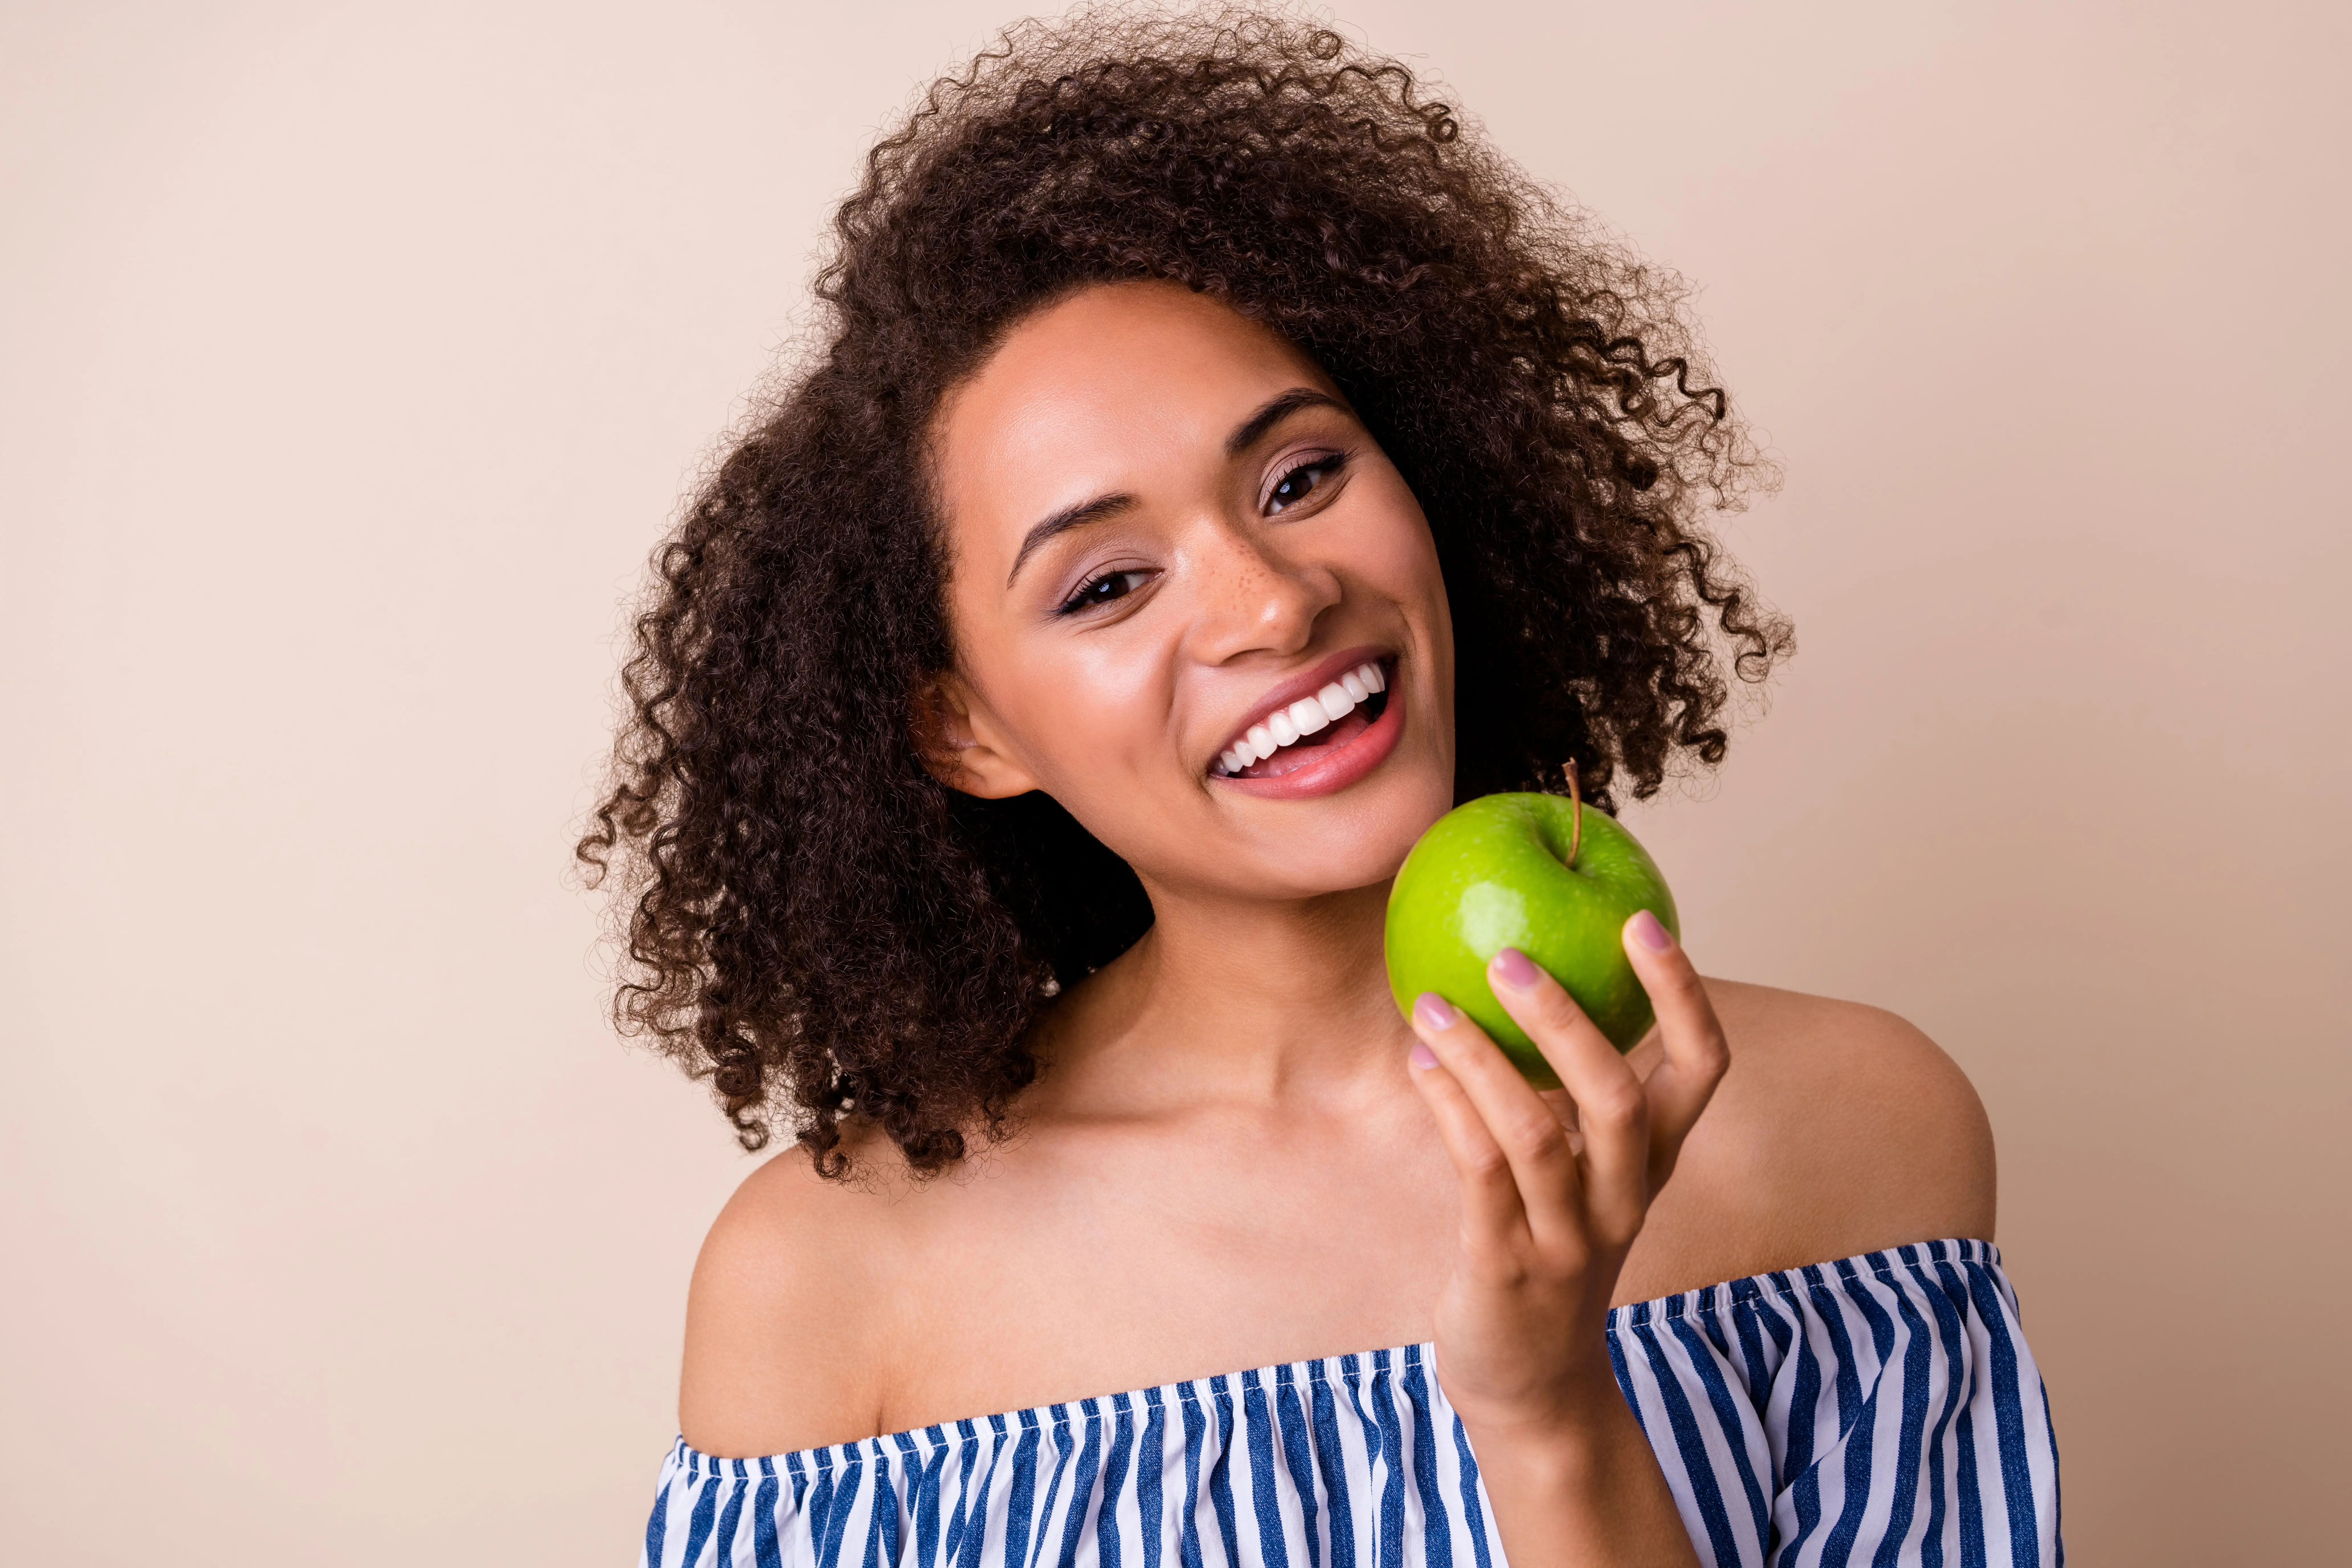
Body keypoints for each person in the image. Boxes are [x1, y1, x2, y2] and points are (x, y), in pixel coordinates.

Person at [580, 13, 2062, 1566]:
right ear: (969, 735)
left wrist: (1551, 1415)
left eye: (1299, 480)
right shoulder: (826, 1286)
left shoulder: (1845, 1135)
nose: (1275, 604)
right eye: (1105, 586)